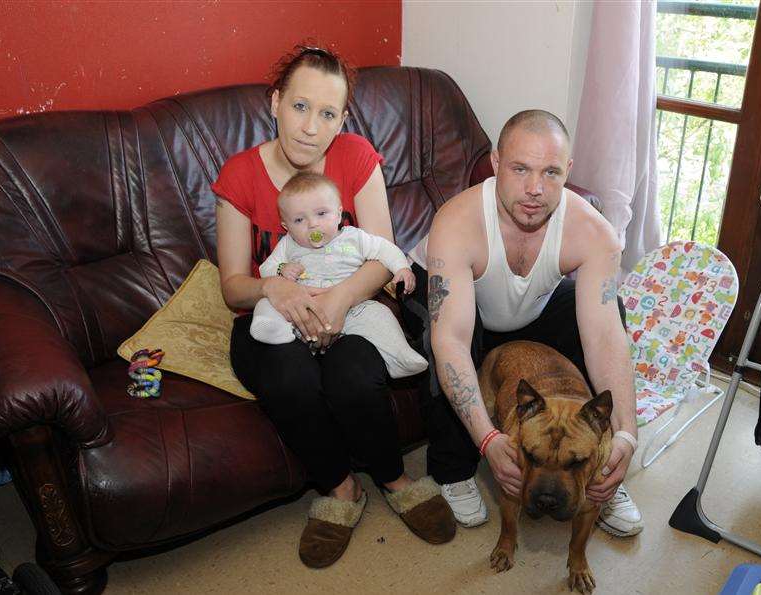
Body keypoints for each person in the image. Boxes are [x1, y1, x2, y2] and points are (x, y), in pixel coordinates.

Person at [213, 44, 455, 569]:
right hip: (273, 315)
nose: (309, 127)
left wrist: (341, 301)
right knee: (289, 378)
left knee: (351, 372)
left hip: (353, 301)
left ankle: (393, 478)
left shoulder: (355, 157)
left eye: (327, 113)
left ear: (342, 118)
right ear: (275, 103)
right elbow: (233, 286)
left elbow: (380, 257)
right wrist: (271, 288)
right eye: (299, 107)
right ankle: (342, 489)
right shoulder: (238, 176)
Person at [403, 109, 643, 536]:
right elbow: (451, 343)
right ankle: (453, 470)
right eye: (520, 169)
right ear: (496, 164)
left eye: (551, 172)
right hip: (461, 306)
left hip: (528, 307)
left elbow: (607, 339)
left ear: (568, 170)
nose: (535, 189)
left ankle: (597, 467)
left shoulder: (594, 233)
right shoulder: (457, 222)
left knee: (610, 312)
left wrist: (625, 434)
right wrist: (489, 440)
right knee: (445, 336)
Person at [251, 171, 427, 379]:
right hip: (300, 310)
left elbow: (384, 249)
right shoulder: (288, 244)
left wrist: (402, 268)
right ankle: (273, 330)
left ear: (338, 214)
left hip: (350, 309)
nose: (312, 224)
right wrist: (281, 269)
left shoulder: (354, 238)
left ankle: (399, 356)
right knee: (268, 303)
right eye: (299, 219)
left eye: (321, 214)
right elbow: (266, 270)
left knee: (379, 315)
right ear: (286, 226)